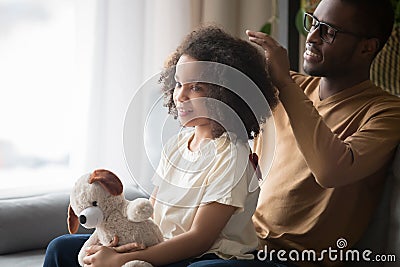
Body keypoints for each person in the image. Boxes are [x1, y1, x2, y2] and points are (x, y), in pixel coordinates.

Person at [44, 25, 280, 267]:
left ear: (225, 94)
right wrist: (121, 243)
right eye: (179, 84)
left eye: (196, 87)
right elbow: (151, 213)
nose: (180, 95)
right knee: (61, 248)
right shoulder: (177, 146)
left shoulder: (232, 157)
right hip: (162, 243)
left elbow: (200, 239)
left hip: (210, 256)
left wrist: (124, 259)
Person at [246, 0, 400, 266]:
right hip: (238, 244)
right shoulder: (287, 85)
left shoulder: (386, 112)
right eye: (313, 23)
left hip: (291, 260)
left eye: (328, 31)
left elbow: (330, 171)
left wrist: (284, 82)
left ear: (367, 47)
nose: (312, 37)